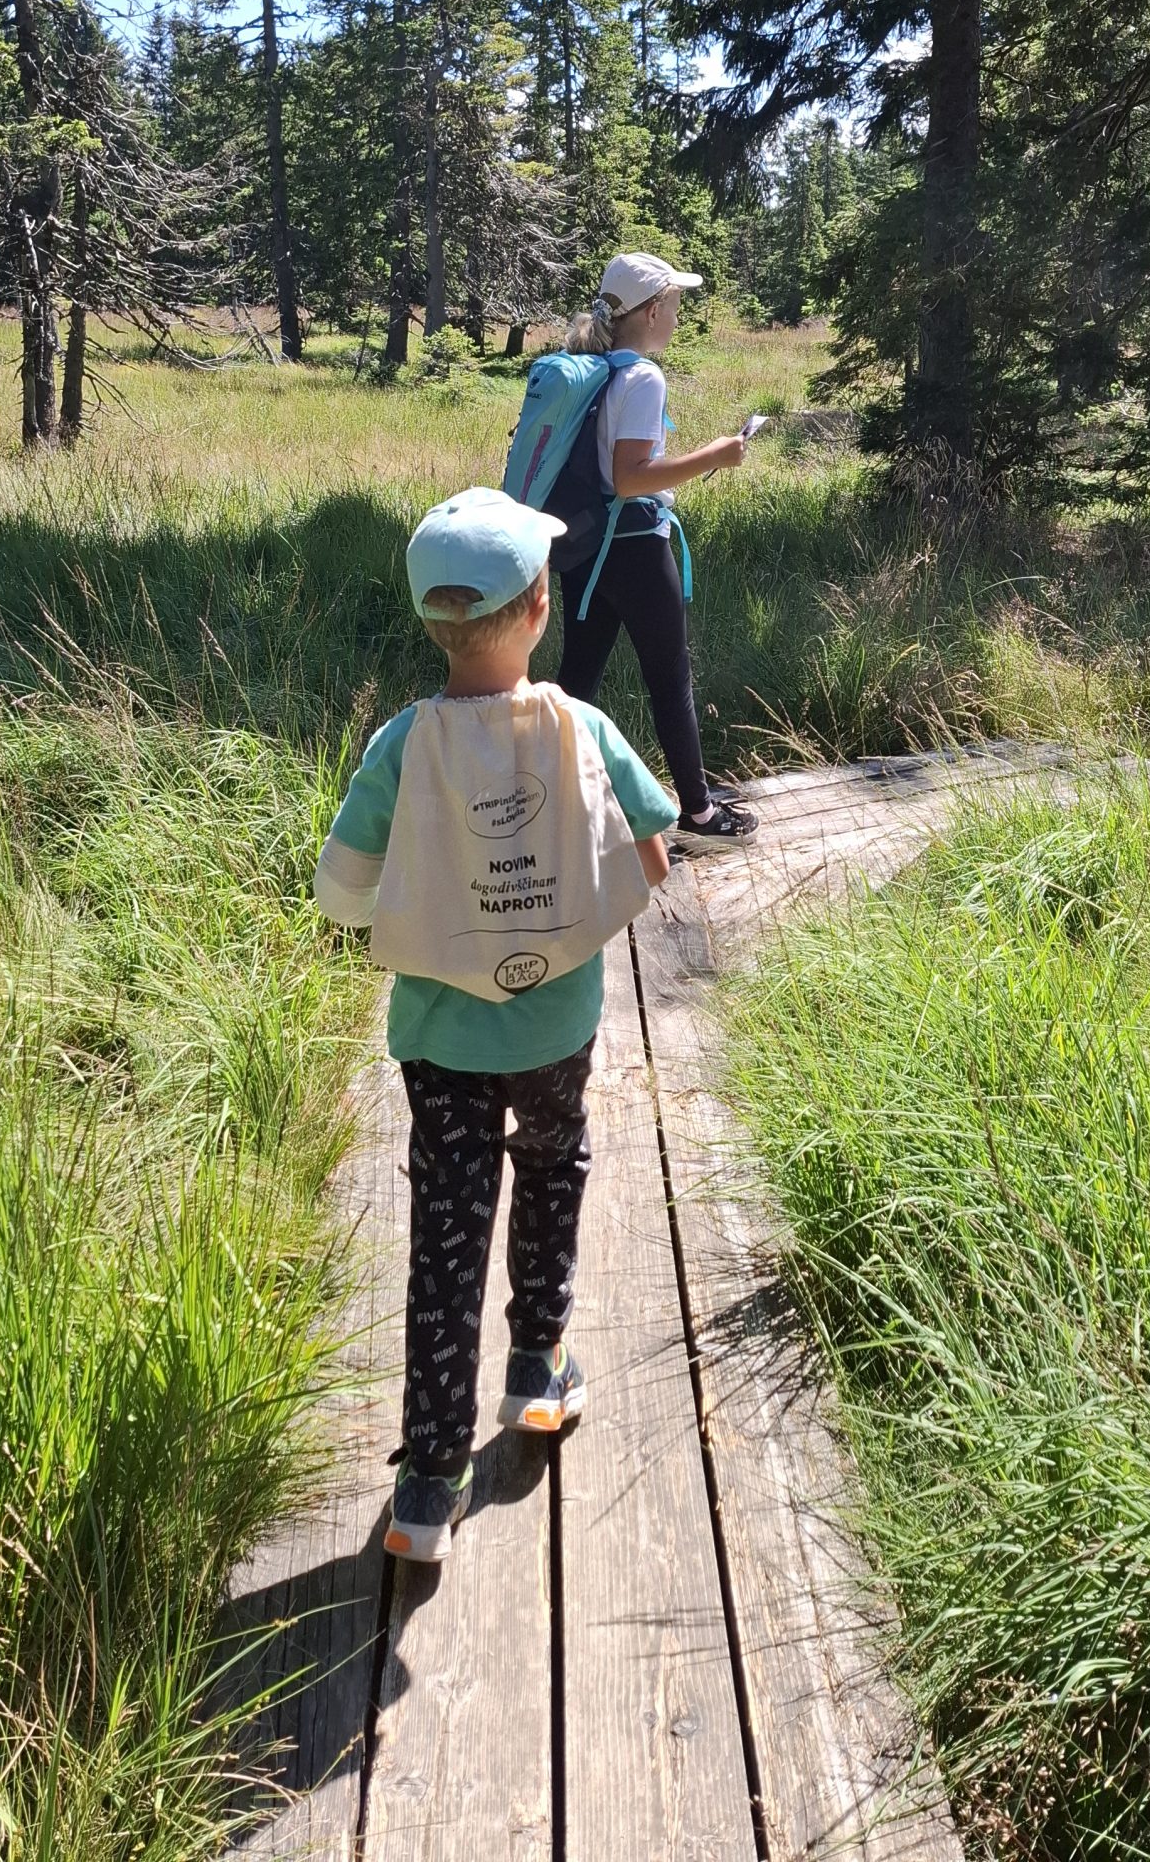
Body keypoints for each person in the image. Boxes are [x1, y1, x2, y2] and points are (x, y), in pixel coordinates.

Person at [312, 487, 676, 1563]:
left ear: (435, 620)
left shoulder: (401, 743)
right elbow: (653, 856)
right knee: (555, 1169)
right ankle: (535, 1372)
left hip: (441, 1038)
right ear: (538, 606)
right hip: (558, 1021)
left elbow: (341, 894)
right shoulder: (584, 724)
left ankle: (427, 1487)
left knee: (447, 1227)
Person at [555, 251, 759, 852]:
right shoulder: (642, 376)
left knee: (576, 681)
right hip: (638, 547)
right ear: (650, 311)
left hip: (586, 549)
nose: (678, 314)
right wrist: (716, 456)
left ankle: (544, 802)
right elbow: (630, 476)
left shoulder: (593, 368)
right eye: (673, 303)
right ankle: (698, 817)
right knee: (670, 681)